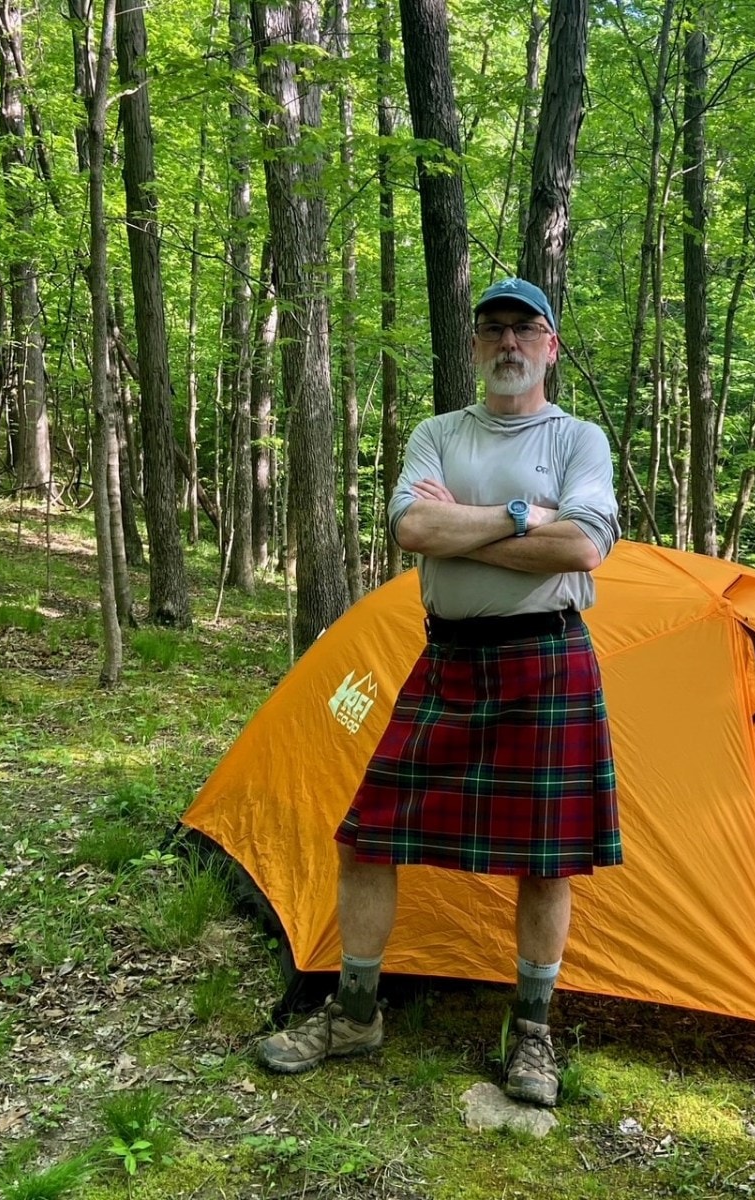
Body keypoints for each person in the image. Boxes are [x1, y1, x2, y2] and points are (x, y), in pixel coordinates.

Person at [257, 278, 623, 1107]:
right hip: (448, 659)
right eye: (491, 330)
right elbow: (414, 529)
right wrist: (529, 518)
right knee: (367, 834)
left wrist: (480, 525)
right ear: (472, 346)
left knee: (547, 861)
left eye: (524, 330)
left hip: (548, 662)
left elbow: (586, 549)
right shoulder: (436, 434)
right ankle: (355, 1014)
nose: (507, 344)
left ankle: (531, 1033)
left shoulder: (580, 440)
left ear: (550, 346)